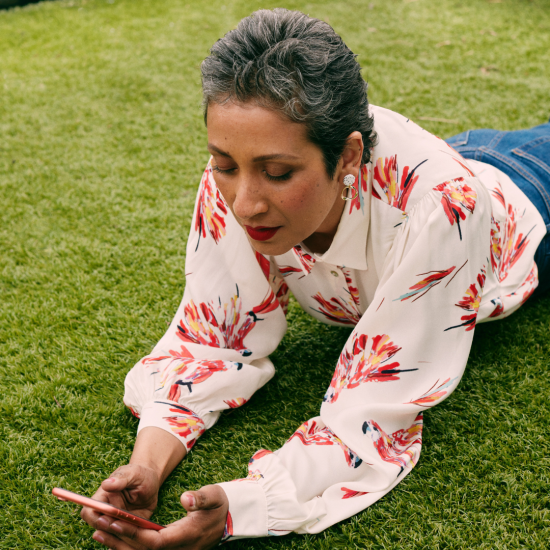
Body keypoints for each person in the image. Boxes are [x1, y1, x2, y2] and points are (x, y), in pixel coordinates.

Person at [81, 8, 550, 550]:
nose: (245, 202)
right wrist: (147, 465)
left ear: (349, 156)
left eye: (278, 173)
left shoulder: (444, 207)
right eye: (225, 165)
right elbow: (211, 338)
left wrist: (244, 507)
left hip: (527, 194)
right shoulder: (238, 180)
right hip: (449, 161)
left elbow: (374, 412)